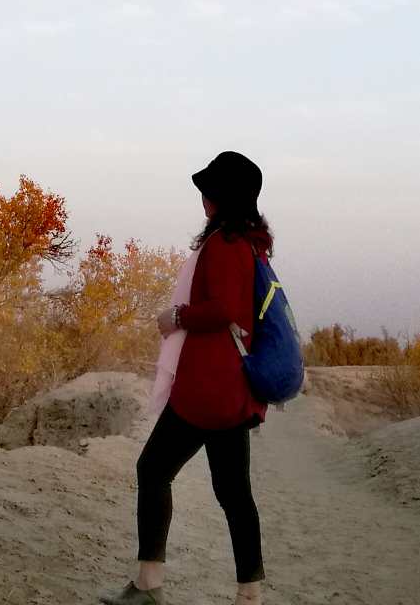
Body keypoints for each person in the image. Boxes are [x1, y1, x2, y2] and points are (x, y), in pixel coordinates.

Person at [99, 150, 271, 605]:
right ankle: (249, 596)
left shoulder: (224, 244)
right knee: (234, 493)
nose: (203, 199)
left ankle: (148, 585)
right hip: (232, 388)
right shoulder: (251, 244)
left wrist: (176, 316)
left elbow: (224, 309)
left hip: (206, 388)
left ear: (220, 197)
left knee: (153, 469)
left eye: (208, 191)